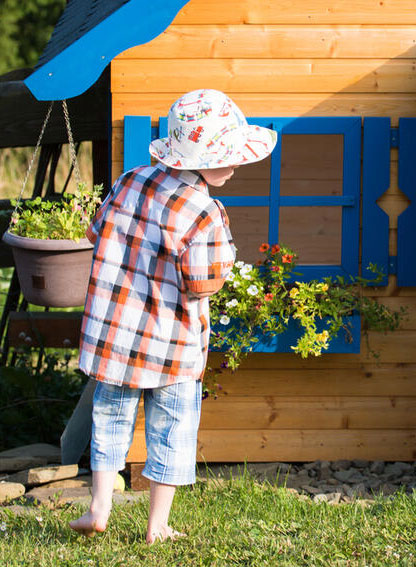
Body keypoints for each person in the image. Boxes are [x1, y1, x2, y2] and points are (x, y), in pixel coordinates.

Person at [69, 89, 277, 543]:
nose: (236, 165)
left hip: (116, 335)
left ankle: (99, 506)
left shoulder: (130, 180)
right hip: (173, 343)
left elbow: (95, 230)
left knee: (110, 417)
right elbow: (203, 283)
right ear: (201, 159)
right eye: (229, 156)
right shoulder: (205, 211)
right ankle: (156, 525)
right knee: (173, 429)